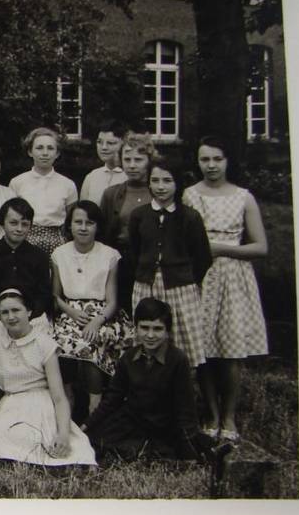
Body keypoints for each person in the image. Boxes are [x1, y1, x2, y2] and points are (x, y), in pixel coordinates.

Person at [183, 136, 269, 442]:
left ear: (228, 161)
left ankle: (230, 416)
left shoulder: (244, 197)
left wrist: (219, 248)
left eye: (217, 159)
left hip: (233, 276)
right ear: (198, 162)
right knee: (203, 347)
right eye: (205, 159)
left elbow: (260, 247)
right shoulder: (190, 196)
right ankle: (211, 413)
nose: (211, 166)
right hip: (201, 276)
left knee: (231, 350)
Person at [82, 298, 219, 461]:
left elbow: (186, 408)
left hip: (164, 425)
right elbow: (112, 399)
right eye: (144, 328)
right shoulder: (129, 357)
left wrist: (187, 447)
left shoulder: (178, 359)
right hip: (133, 422)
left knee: (166, 453)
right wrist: (86, 425)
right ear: (136, 328)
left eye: (158, 329)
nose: (150, 335)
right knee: (95, 441)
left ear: (167, 331)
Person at [0, 288, 96, 466]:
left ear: (28, 311)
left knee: (35, 436)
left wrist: (64, 434)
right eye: (5, 312)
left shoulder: (44, 343)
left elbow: (59, 397)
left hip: (39, 404)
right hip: (10, 403)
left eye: (16, 310)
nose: (11, 317)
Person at [51, 200, 134, 416]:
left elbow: (113, 301)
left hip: (104, 314)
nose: (83, 227)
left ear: (97, 226)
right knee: (59, 343)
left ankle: (94, 407)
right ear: (69, 225)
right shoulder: (59, 254)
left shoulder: (110, 255)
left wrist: (97, 320)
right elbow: (55, 295)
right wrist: (71, 311)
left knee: (92, 340)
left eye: (89, 222)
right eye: (78, 222)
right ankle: (67, 400)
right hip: (70, 313)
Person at [128, 157, 212, 369]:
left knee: (182, 345)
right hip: (145, 286)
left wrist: (185, 279)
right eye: (155, 180)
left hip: (180, 288)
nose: (160, 186)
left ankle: (181, 392)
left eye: (167, 180)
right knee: (148, 341)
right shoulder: (139, 215)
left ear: (177, 184)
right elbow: (134, 253)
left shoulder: (190, 217)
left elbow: (202, 257)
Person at [98, 131, 158, 311]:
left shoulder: (159, 192)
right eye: (127, 159)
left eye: (138, 160)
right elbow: (103, 234)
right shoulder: (111, 194)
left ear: (149, 161)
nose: (132, 165)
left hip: (151, 263)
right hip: (121, 263)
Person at [8, 127, 78, 256]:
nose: (45, 153)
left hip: (58, 243)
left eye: (50, 148)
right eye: (39, 148)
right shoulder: (17, 182)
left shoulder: (68, 185)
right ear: (30, 151)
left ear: (57, 153)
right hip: (24, 241)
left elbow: (71, 221)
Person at [0, 198, 51, 322]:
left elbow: (44, 294)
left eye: (25, 224)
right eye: (13, 223)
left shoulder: (39, 256)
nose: (19, 229)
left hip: (32, 319)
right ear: (2, 223)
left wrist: (30, 316)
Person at [80, 120, 128, 206]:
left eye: (110, 143)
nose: (104, 147)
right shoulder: (91, 177)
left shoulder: (130, 176)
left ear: (123, 144)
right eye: (99, 142)